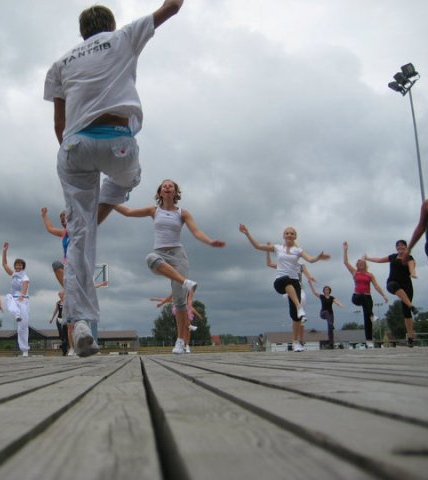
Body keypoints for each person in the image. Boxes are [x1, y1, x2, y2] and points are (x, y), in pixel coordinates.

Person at [43, 1, 184, 357]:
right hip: (118, 144)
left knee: (79, 238)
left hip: (74, 145)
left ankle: (78, 321)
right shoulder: (122, 37)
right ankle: (93, 218)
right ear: (109, 24)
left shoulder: (60, 63)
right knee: (128, 178)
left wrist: (76, 158)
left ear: (82, 33)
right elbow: (172, 6)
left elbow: (59, 125)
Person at [116, 179, 225, 354]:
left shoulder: (183, 213)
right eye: (164, 186)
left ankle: (180, 341)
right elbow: (128, 212)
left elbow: (196, 232)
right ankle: (186, 282)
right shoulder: (153, 210)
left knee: (180, 303)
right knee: (150, 258)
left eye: (171, 186)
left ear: (175, 192)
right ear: (160, 192)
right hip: (160, 254)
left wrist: (210, 242)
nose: (167, 187)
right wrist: (110, 203)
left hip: (178, 256)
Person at [239, 224, 330, 352]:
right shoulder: (277, 248)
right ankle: (299, 307)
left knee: (295, 317)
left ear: (295, 237)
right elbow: (258, 246)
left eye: (292, 233)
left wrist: (319, 257)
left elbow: (310, 259)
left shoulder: (298, 251)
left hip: (295, 283)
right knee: (286, 280)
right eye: (287, 233)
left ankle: (295, 342)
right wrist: (247, 233)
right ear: (283, 236)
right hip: (280, 282)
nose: (289, 235)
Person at [364, 240, 418, 347]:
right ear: (396, 248)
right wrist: (368, 258)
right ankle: (411, 306)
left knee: (406, 313)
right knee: (393, 285)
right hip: (392, 283)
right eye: (398, 245)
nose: (400, 247)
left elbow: (412, 266)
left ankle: (410, 338)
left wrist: (413, 273)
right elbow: (379, 260)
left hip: (406, 286)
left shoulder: (409, 258)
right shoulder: (392, 257)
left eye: (402, 245)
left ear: (406, 247)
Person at [265, 245, 315, 351]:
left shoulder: (301, 266)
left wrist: (310, 277)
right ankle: (299, 313)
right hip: (288, 289)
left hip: (299, 289)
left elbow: (308, 274)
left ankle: (300, 337)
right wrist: (268, 252)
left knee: (299, 313)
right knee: (297, 309)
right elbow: (269, 264)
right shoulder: (283, 265)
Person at [343, 242, 388, 348]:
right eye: (359, 263)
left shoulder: (370, 275)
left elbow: (376, 286)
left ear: (365, 265)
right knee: (363, 298)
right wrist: (345, 250)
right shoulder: (355, 272)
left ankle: (369, 341)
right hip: (357, 297)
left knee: (367, 320)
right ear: (357, 265)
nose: (361, 264)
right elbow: (345, 262)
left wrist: (383, 295)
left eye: (363, 263)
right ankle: (372, 315)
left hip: (368, 298)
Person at [2, 242, 30, 357]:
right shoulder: (13, 274)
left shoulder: (25, 276)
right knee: (8, 297)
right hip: (14, 298)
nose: (18, 266)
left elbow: (25, 285)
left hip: (23, 300)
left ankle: (25, 350)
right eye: (16, 265)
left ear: (23, 266)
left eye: (20, 265)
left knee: (23, 327)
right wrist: (4, 251)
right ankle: (16, 314)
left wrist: (22, 295)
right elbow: (4, 264)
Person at [308, 282, 343, 349]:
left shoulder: (332, 298)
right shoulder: (322, 296)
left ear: (329, 291)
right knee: (327, 313)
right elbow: (314, 292)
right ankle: (331, 324)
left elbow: (336, 301)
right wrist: (310, 284)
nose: (327, 290)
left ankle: (331, 344)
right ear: (324, 291)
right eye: (325, 289)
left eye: (328, 289)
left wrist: (339, 304)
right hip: (323, 313)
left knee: (330, 329)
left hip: (331, 314)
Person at [41, 207, 69, 287]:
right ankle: (67, 289)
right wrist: (44, 216)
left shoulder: (78, 232)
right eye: (62, 222)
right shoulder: (64, 233)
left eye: (65, 221)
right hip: (68, 264)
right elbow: (50, 228)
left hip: (78, 264)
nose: (64, 224)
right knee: (56, 265)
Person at [49, 291, 69, 356]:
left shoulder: (67, 302)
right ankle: (63, 342)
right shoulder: (58, 303)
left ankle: (65, 349)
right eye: (59, 295)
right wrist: (52, 318)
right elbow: (56, 310)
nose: (60, 296)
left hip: (65, 320)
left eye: (61, 294)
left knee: (66, 334)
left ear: (64, 294)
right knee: (61, 333)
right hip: (59, 319)